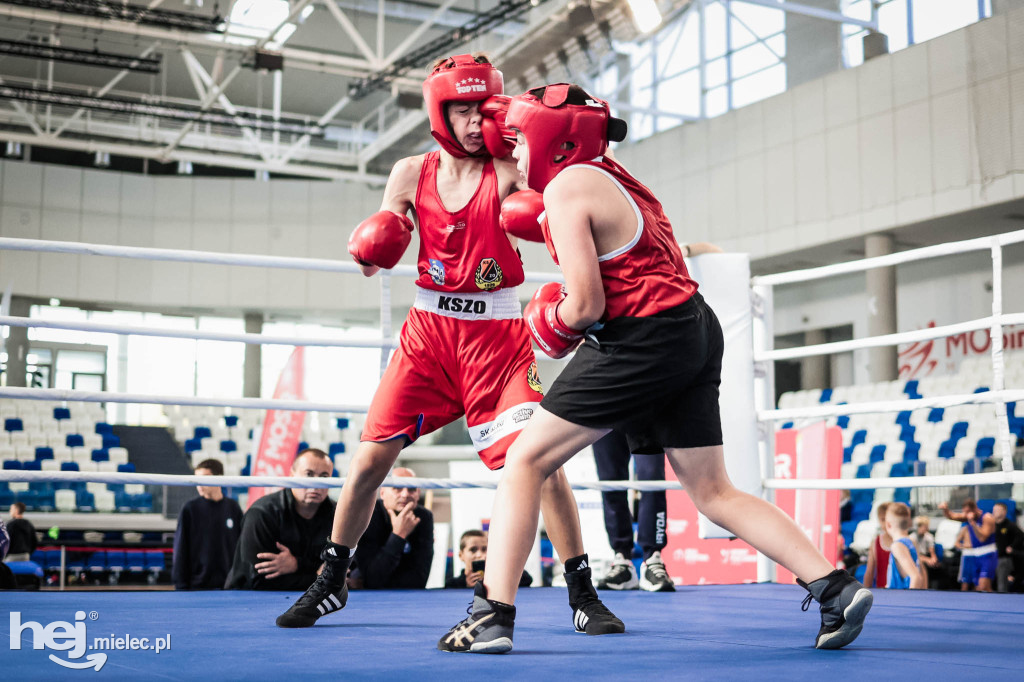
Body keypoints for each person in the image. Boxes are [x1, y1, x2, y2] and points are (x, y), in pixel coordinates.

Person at [438, 83, 872, 654]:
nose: (514, 153)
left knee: (524, 459)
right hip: (692, 326)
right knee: (712, 489)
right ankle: (834, 587)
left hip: (641, 336)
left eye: (520, 140)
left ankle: (492, 614)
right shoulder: (618, 175)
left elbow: (587, 305)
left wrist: (552, 321)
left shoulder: (568, 186)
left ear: (552, 140)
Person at [276, 56, 621, 636]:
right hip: (428, 337)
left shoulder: (512, 170)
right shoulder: (410, 172)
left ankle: (582, 591)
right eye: (461, 108)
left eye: (482, 107)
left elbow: (565, 208)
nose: (473, 119)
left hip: (499, 340)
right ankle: (332, 579)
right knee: (368, 460)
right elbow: (381, 244)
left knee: (542, 463)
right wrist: (370, 249)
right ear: (440, 112)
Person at [225, 448, 334, 590]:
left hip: (308, 599)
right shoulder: (261, 514)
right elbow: (257, 580)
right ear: (292, 475)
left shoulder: (337, 514)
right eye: (309, 474)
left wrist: (297, 564)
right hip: (246, 599)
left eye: (324, 477)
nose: (316, 484)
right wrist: (317, 578)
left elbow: (343, 569)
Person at [592, 431, 673, 591]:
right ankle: (622, 559)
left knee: (652, 476)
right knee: (610, 480)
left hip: (645, 410)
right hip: (603, 409)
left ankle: (652, 559)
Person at [350, 468, 433, 589]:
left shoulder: (424, 517)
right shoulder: (368, 515)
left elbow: (419, 580)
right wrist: (399, 535)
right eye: (397, 488)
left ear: (418, 494)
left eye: (411, 489)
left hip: (409, 597)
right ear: (382, 493)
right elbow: (373, 579)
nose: (405, 494)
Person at [172, 458, 244, 590]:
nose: (200, 484)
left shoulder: (233, 508)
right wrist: (181, 585)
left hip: (229, 587)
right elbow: (181, 548)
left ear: (219, 478)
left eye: (205, 478)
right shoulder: (190, 509)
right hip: (197, 586)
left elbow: (241, 548)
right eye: (197, 479)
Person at [445, 529, 532, 589]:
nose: (479, 554)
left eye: (484, 549)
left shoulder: (500, 578)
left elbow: (526, 579)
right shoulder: (453, 585)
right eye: (473, 550)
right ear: (461, 555)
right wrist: (466, 587)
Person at [940, 498, 996, 592]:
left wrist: (973, 524)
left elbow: (982, 538)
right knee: (979, 587)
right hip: (976, 556)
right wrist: (945, 509)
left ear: (974, 509)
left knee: (983, 586)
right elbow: (952, 516)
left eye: (968, 512)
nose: (966, 515)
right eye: (965, 512)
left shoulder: (987, 518)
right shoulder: (968, 516)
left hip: (988, 555)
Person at [884, 503, 922, 589]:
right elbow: (921, 573)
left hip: (900, 598)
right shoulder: (912, 541)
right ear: (909, 523)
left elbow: (916, 576)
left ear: (888, 524)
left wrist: (911, 601)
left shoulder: (897, 546)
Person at [992, 502, 1023, 593]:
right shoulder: (991, 525)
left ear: (1004, 512)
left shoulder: (1010, 525)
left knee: (1002, 583)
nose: (995, 512)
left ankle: (1002, 602)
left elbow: (1020, 536)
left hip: (1003, 558)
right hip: (991, 557)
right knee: (991, 582)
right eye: (994, 510)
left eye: (997, 510)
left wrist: (1012, 547)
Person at [863, 502, 891, 589]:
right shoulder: (876, 542)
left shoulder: (906, 541)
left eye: (888, 519)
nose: (886, 524)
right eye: (882, 520)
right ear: (879, 520)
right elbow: (869, 571)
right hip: (883, 590)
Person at [911, 516, 938, 589]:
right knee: (921, 564)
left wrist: (933, 559)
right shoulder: (912, 538)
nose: (925, 528)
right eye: (923, 526)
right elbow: (915, 555)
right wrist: (926, 560)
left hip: (925, 556)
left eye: (926, 526)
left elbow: (932, 552)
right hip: (914, 558)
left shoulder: (929, 537)